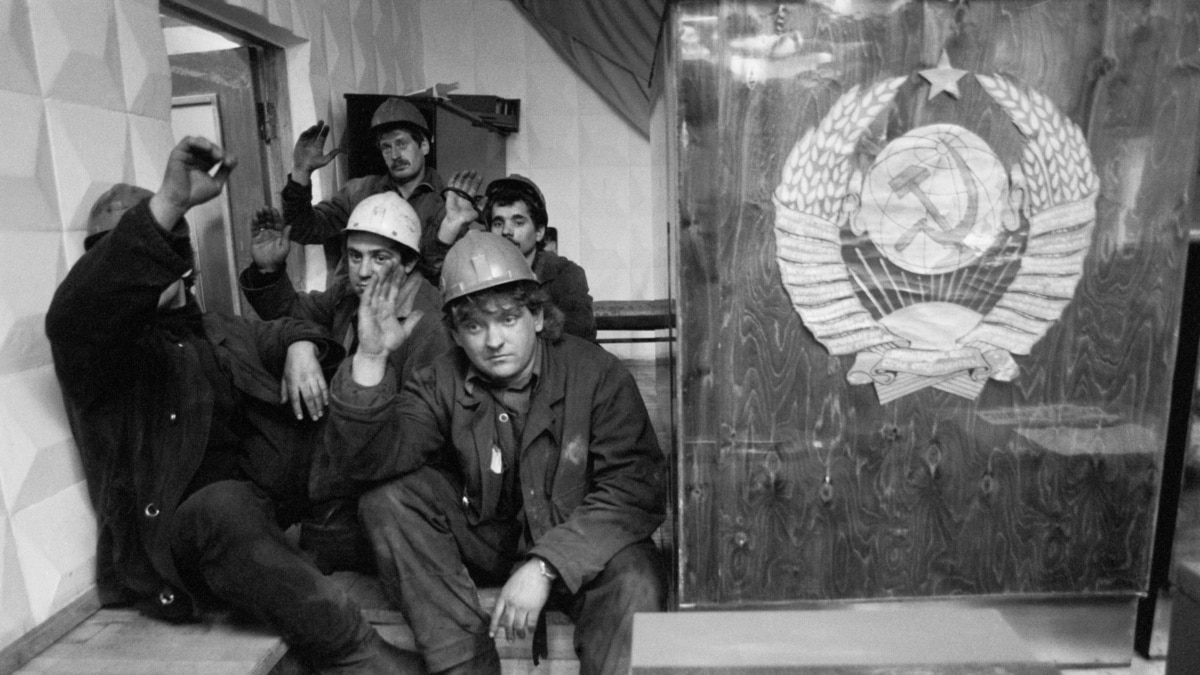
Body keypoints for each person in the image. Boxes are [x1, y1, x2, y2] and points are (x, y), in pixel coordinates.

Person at [46, 137, 422, 674]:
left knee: (347, 417)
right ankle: (357, 652)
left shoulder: (211, 327)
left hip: (261, 521)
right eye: (121, 260)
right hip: (174, 541)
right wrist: (170, 203)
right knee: (223, 506)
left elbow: (279, 328)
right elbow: (79, 310)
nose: (139, 276)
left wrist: (299, 347)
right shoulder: (100, 352)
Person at [326, 231, 666, 674]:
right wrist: (371, 359)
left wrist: (546, 565)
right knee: (386, 499)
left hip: (580, 541)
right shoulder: (439, 381)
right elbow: (369, 462)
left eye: (507, 319)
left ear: (537, 316)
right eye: (474, 326)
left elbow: (634, 489)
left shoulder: (597, 374)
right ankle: (466, 666)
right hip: (490, 540)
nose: (493, 341)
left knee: (637, 575)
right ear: (454, 333)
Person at [239, 193, 453, 572]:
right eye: (355, 256)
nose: (364, 271)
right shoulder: (348, 296)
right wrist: (295, 333)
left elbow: (419, 438)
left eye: (379, 258)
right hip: (339, 459)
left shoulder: (430, 323)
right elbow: (295, 313)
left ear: (409, 262)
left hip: (384, 475)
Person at [283, 98, 481, 280]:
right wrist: (301, 173)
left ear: (424, 146)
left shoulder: (449, 205)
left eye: (401, 144)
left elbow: (445, 278)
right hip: (355, 302)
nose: (395, 155)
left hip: (414, 303)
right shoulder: (359, 192)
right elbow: (302, 229)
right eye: (386, 147)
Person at [484, 174, 596, 341]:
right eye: (498, 224)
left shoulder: (565, 274)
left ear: (539, 232)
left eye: (518, 222)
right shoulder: (482, 273)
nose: (506, 231)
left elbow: (579, 338)